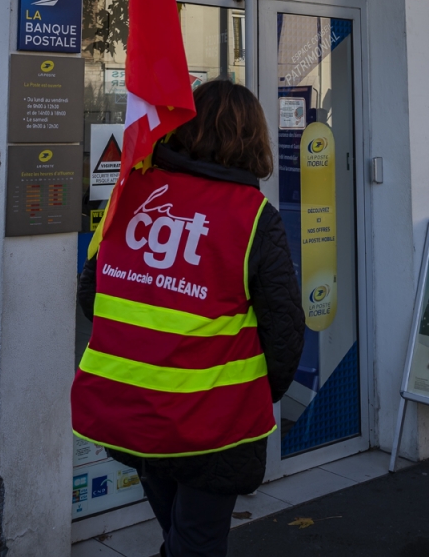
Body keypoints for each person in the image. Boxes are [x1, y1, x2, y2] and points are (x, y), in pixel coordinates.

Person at [73, 79, 305, 557]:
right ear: (253, 139)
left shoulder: (130, 194)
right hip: (214, 424)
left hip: (132, 411)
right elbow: (284, 334)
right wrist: (256, 393)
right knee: (195, 543)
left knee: (178, 535)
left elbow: (92, 294)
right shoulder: (254, 216)